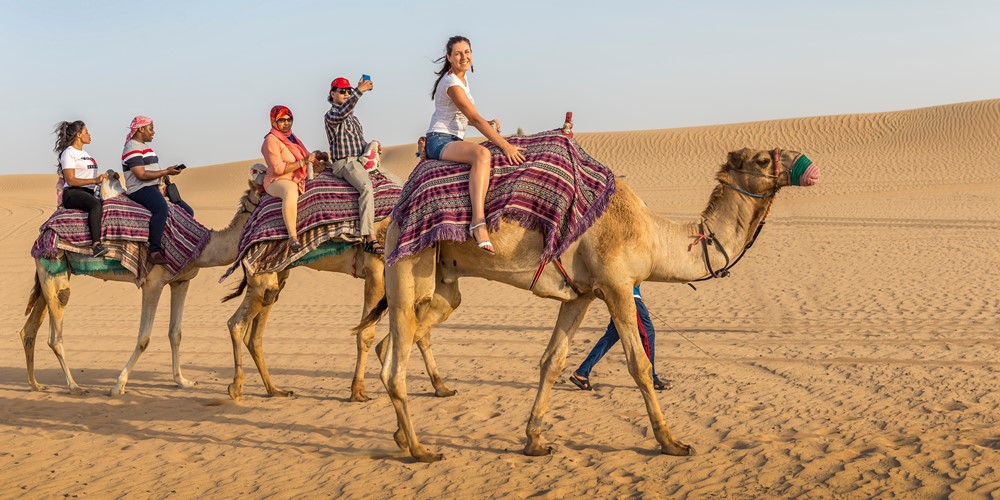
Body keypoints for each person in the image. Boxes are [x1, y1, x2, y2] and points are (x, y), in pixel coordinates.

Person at [425, 35, 526, 254]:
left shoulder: (462, 79)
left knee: (488, 154)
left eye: (467, 52)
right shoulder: (451, 83)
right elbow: (475, 118)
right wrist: (506, 146)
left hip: (453, 138)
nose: (464, 57)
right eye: (458, 53)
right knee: (482, 155)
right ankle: (478, 223)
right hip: (439, 140)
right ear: (449, 57)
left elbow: (467, 118)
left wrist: (487, 123)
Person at [569, 285, 673, 391]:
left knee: (609, 337)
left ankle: (582, 371)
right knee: (647, 334)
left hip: (619, 297)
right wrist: (635, 296)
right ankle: (652, 379)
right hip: (629, 297)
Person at [121, 116, 192, 265]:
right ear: (141, 129)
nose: (153, 132)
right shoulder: (132, 147)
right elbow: (141, 175)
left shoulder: (145, 147)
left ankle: (179, 246)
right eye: (151, 128)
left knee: (187, 211)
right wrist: (165, 171)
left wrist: (165, 174)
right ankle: (154, 251)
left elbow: (152, 170)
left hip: (153, 186)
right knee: (161, 208)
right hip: (140, 188)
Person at [324, 76, 383, 254]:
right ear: (333, 94)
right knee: (366, 187)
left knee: (393, 181)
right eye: (342, 91)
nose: (346, 94)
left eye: (348, 91)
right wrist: (359, 91)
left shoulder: (354, 120)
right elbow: (343, 111)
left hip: (359, 160)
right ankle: (369, 237)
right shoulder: (332, 115)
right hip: (345, 162)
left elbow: (359, 143)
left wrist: (372, 147)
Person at [261, 105, 318, 252]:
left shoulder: (292, 138)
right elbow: (278, 169)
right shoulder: (271, 140)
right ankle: (293, 237)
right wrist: (303, 162)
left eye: (289, 119)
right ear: (274, 122)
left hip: (298, 176)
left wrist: (318, 158)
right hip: (278, 180)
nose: (286, 123)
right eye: (282, 120)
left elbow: (305, 154)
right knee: (290, 192)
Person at [55, 120, 109, 258]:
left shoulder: (85, 154)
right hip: (73, 193)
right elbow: (71, 180)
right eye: (86, 132)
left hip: (89, 191)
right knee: (95, 205)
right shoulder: (69, 153)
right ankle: (96, 245)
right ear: (79, 135)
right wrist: (95, 180)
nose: (89, 135)